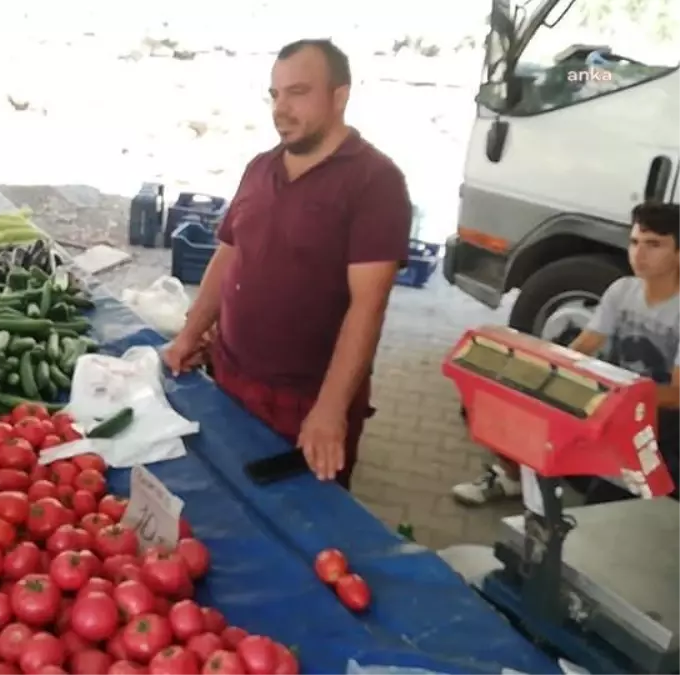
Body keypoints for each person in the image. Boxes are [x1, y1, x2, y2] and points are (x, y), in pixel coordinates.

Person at [162, 38, 412, 489]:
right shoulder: (260, 167)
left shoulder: (376, 182)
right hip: (229, 379)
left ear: (340, 96)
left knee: (304, 527)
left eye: (298, 92)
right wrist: (190, 332)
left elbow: (368, 307)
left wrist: (331, 410)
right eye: (275, 94)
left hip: (305, 400)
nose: (281, 108)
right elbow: (229, 252)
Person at [453, 202, 680, 506]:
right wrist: (543, 375)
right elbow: (583, 347)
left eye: (654, 245)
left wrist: (618, 398)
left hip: (656, 415)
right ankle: (512, 476)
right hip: (617, 400)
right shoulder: (623, 290)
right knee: (500, 399)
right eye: (635, 242)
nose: (639, 254)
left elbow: (676, 396)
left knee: (603, 507)